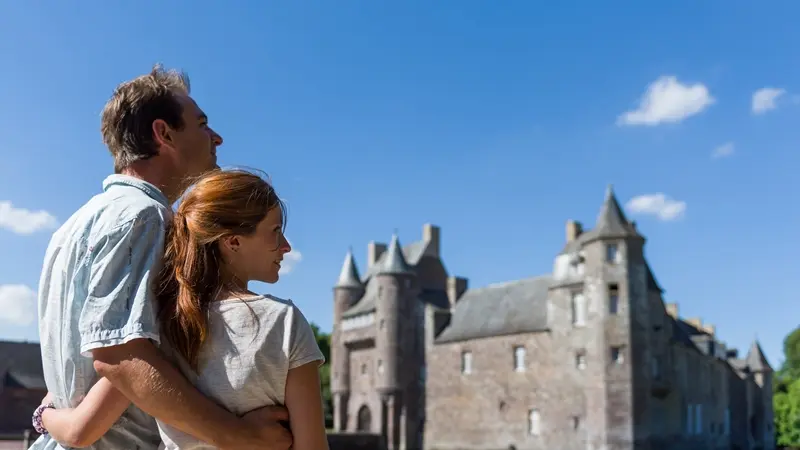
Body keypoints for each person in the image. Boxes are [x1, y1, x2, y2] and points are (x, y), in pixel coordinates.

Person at [30, 65, 293, 450]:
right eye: (202, 125)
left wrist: (49, 418)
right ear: (164, 133)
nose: (217, 137)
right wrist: (239, 436)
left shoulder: (69, 228)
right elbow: (120, 355)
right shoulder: (144, 217)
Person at [36, 169, 330, 450]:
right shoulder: (283, 323)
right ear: (233, 241)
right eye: (275, 231)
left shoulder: (159, 330)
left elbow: (81, 428)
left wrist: (44, 412)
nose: (286, 246)